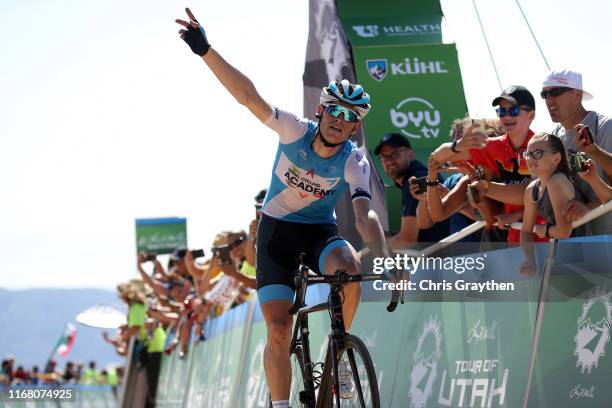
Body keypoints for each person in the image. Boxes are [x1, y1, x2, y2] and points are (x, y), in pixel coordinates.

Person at [176, 8, 388, 404]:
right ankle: (281, 403)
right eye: (335, 110)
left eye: (351, 115)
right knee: (277, 330)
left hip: (319, 233)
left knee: (350, 267)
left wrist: (384, 254)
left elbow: (364, 213)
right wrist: (206, 51)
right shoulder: (294, 130)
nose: (340, 120)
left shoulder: (353, 159)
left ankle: (339, 354)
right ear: (321, 110)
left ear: (356, 125)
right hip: (276, 235)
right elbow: (248, 97)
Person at [430, 86, 547, 243]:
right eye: (501, 111)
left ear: (531, 115)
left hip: (546, 238)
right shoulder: (493, 146)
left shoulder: (543, 145)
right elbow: (436, 157)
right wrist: (458, 145)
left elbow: (533, 194)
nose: (506, 117)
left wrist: (484, 186)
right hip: (515, 240)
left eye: (513, 111)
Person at [542, 69, 612, 233]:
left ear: (578, 95)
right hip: (576, 239)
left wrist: (594, 151)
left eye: (556, 91)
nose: (549, 99)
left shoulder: (605, 127)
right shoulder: (552, 136)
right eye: (544, 94)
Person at [374, 133, 450, 249]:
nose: (389, 161)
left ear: (410, 155)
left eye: (394, 154)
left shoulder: (415, 181)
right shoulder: (420, 175)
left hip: (439, 259)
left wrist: (377, 247)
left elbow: (407, 239)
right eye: (384, 157)